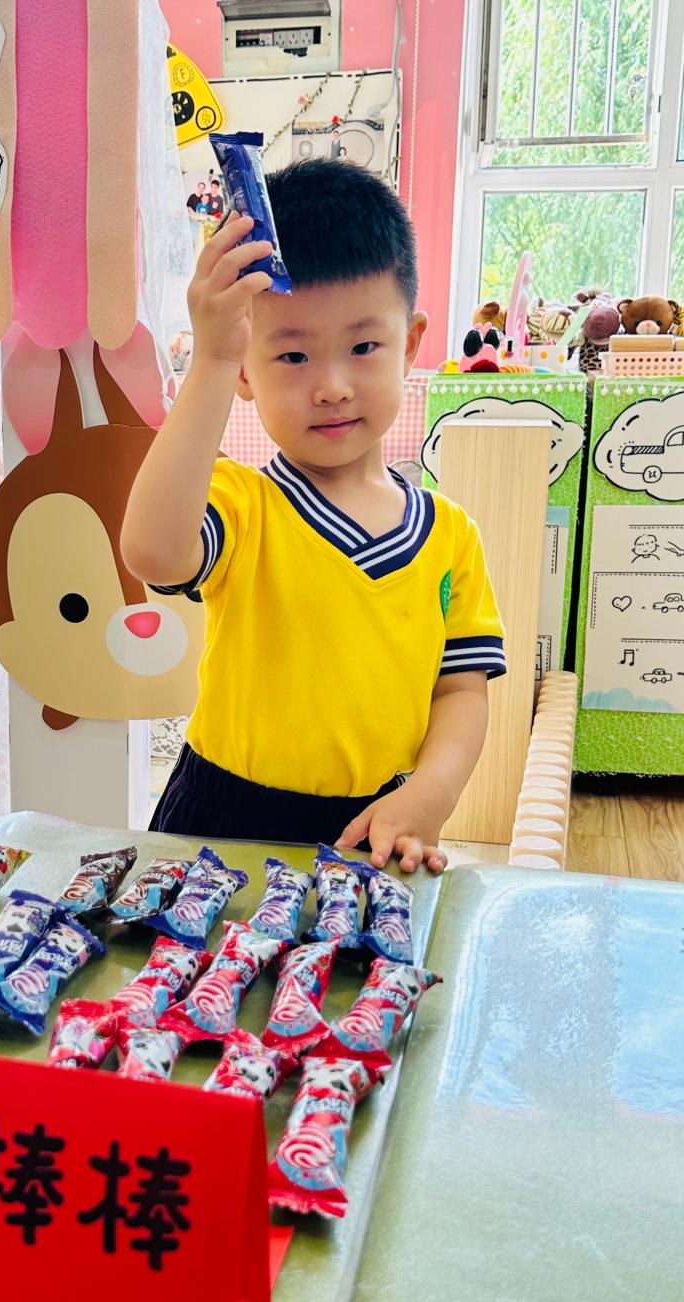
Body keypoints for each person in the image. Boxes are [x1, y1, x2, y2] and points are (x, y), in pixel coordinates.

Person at [122, 159, 505, 873]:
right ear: (247, 369)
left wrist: (431, 794)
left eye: (363, 348)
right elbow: (152, 551)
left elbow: (462, 691)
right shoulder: (242, 504)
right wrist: (210, 361)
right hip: (222, 822)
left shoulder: (451, 536)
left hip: (373, 827)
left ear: (410, 344)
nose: (331, 387)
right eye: (293, 355)